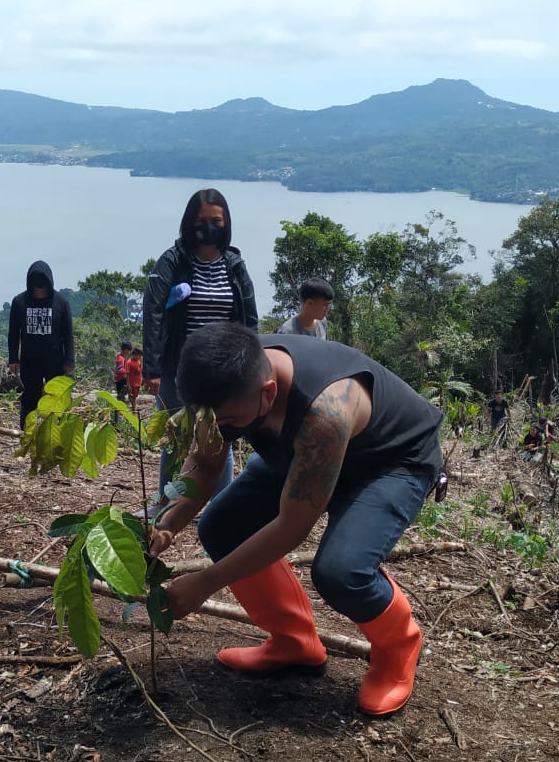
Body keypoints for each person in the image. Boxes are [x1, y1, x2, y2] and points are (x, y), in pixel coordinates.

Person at [149, 323, 443, 716]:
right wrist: (165, 524)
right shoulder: (228, 385)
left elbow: (292, 526)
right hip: (305, 456)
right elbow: (205, 465)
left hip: (389, 461)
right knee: (223, 527)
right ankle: (294, 642)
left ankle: (398, 646)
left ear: (268, 393)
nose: (219, 430)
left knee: (342, 571)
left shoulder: (326, 408)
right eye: (211, 421)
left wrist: (203, 584)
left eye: (229, 422)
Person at [143, 189, 258, 502]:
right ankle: (166, 504)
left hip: (223, 371)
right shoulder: (173, 261)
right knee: (176, 438)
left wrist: (253, 365)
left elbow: (249, 319)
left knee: (221, 438)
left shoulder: (234, 265)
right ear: (188, 222)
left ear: (226, 223)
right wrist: (152, 368)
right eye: (200, 220)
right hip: (178, 368)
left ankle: (220, 507)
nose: (208, 227)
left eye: (215, 221)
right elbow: (153, 312)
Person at [8, 260, 75, 429]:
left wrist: (69, 361)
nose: (39, 284)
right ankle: (27, 432)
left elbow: (68, 334)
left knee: (56, 397)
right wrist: (13, 358)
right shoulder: (19, 302)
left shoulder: (61, 302)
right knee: (30, 397)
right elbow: (14, 332)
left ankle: (57, 431)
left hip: (55, 360)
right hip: (29, 360)